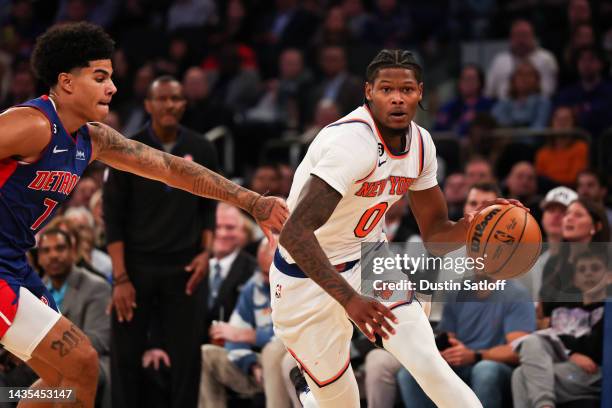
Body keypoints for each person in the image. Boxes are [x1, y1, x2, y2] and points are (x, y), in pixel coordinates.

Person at [0, 22, 287, 407]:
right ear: (67, 83)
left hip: (14, 262)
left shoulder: (93, 139)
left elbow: (171, 168)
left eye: (112, 77)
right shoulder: (32, 124)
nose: (113, 87)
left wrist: (252, 201)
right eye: (100, 77)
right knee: (81, 360)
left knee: (71, 375)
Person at [272, 49, 525, 407]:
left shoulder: (421, 145)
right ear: (368, 92)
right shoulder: (351, 145)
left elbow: (436, 234)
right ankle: (312, 397)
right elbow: (294, 235)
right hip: (303, 276)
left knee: (429, 364)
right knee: (340, 402)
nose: (396, 97)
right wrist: (348, 299)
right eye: (386, 89)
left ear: (420, 93)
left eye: (406, 89)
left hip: (369, 260)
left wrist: (476, 223)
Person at [102, 75, 219, 408]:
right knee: (124, 356)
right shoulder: (126, 150)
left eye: (177, 98)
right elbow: (113, 219)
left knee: (187, 357)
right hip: (136, 268)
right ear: (148, 104)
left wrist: (205, 254)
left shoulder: (202, 148)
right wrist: (121, 277)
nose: (171, 104)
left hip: (185, 266)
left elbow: (208, 208)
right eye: (163, 98)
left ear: (185, 103)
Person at [512, 250, 610, 407]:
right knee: (529, 348)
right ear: (575, 279)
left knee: (525, 376)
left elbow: (596, 352)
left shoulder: (608, 311)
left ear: (609, 277)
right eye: (582, 269)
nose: (588, 273)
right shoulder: (560, 310)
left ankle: (544, 404)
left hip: (591, 374)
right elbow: (549, 342)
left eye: (595, 268)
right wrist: (570, 354)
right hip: (557, 366)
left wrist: (571, 354)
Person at [37, 228, 112, 407]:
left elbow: (98, 339)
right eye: (46, 250)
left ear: (73, 251)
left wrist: (47, 353)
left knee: (56, 385)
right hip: (44, 364)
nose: (53, 255)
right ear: (39, 258)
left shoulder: (97, 287)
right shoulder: (36, 290)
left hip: (91, 363)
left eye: (60, 248)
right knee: (5, 390)